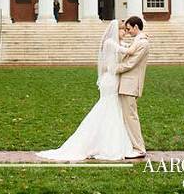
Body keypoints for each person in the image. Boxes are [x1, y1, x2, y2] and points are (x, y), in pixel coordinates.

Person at [35, 19, 135, 161]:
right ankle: (103, 144)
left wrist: (139, 39)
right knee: (108, 107)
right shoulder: (110, 43)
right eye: (123, 30)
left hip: (115, 78)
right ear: (116, 30)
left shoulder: (116, 43)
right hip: (110, 80)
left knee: (112, 108)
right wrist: (140, 40)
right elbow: (129, 50)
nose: (125, 33)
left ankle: (107, 141)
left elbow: (126, 47)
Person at [117, 16, 150, 158]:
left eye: (129, 29)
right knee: (127, 116)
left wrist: (113, 69)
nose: (128, 32)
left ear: (136, 27)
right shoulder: (138, 41)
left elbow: (131, 63)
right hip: (126, 84)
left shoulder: (142, 43)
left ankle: (139, 148)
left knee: (131, 117)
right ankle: (131, 145)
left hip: (130, 85)